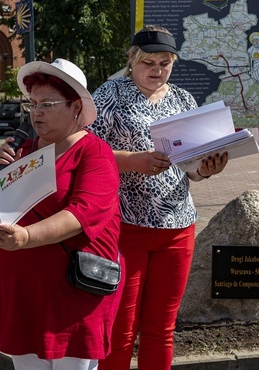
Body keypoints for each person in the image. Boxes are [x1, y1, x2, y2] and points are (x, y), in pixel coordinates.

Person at [88, 25, 228, 370]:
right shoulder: (109, 95)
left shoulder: (183, 100)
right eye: (148, 62)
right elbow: (86, 154)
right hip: (125, 228)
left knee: (161, 330)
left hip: (177, 226)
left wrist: (206, 169)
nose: (157, 70)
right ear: (131, 60)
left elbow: (191, 168)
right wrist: (133, 161)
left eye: (165, 63)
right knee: (121, 329)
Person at [0, 58, 122, 370]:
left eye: (47, 103)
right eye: (32, 104)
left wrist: (27, 236)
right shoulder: (23, 150)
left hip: (71, 296)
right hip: (22, 292)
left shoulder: (95, 153)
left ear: (75, 107)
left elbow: (81, 214)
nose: (36, 112)